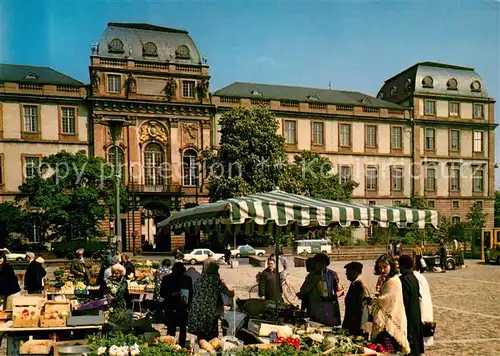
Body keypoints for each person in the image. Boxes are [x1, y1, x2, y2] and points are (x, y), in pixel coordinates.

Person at [370, 254, 410, 355]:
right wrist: (379, 285)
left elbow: (382, 303)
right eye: (380, 267)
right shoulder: (386, 280)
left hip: (390, 327)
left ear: (391, 266)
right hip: (386, 327)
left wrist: (374, 299)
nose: (382, 270)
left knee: (389, 353)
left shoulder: (392, 282)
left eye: (385, 267)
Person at [188, 262, 234, 341]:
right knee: (212, 329)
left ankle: (201, 342)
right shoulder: (215, 279)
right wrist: (232, 293)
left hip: (199, 307)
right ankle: (211, 343)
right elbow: (227, 292)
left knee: (202, 329)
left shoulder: (201, 278)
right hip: (211, 308)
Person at [299, 253, 343, 327]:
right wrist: (311, 283)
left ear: (326, 264)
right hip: (315, 308)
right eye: (318, 263)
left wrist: (334, 296)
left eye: (323, 263)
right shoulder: (311, 276)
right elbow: (303, 291)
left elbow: (341, 290)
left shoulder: (332, 275)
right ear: (315, 264)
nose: (320, 265)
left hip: (329, 309)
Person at [160, 262, 192, 348]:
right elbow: (191, 293)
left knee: (171, 328)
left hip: (170, 306)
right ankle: (182, 345)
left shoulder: (166, 278)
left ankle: (170, 345)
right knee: (183, 328)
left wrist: (171, 294)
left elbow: (162, 293)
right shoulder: (187, 279)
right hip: (182, 307)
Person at [398, 255, 425, 356]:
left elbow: (403, 300)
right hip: (415, 314)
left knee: (409, 345)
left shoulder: (403, 279)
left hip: (407, 315)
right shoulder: (414, 278)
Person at [342, 262, 370, 338]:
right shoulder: (354, 284)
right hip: (352, 324)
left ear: (354, 272)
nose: (346, 274)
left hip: (357, 326)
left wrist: (361, 327)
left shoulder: (360, 286)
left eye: (347, 272)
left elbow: (363, 308)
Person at [413, 269, 434, 347]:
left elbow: (421, 299)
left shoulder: (415, 277)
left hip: (420, 317)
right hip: (424, 315)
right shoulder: (420, 277)